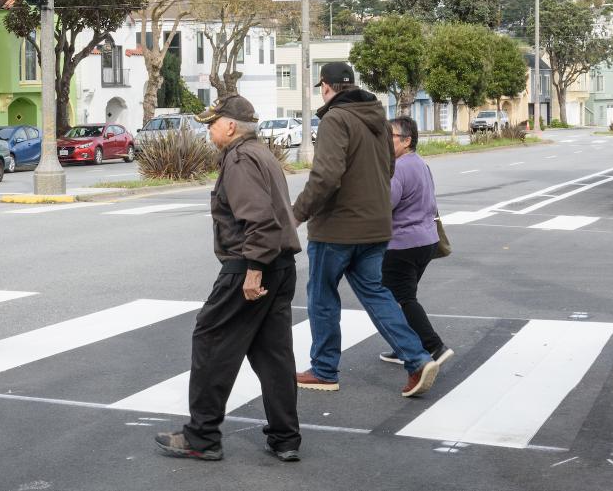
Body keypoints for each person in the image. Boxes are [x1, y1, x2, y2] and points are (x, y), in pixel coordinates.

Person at [154, 94, 303, 463]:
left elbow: (259, 221)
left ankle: (201, 437)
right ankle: (285, 438)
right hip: (280, 265)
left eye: (212, 124)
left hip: (251, 266)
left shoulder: (239, 158)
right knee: (273, 355)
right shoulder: (262, 153)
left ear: (231, 126)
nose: (208, 130)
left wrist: (253, 271)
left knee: (211, 340)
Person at [291, 62, 439, 399]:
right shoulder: (377, 119)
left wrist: (297, 214)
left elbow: (326, 175)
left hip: (338, 228)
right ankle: (416, 358)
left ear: (325, 87)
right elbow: (389, 167)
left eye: (322, 88)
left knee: (322, 296)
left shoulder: (334, 119)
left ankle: (325, 369)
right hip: (376, 226)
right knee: (376, 294)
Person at [380, 116, 452, 368]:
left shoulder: (398, 168)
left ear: (407, 140)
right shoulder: (420, 164)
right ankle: (405, 347)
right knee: (403, 297)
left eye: (389, 137)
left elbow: (385, 205)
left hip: (402, 244)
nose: (384, 142)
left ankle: (433, 346)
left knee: (401, 298)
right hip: (426, 241)